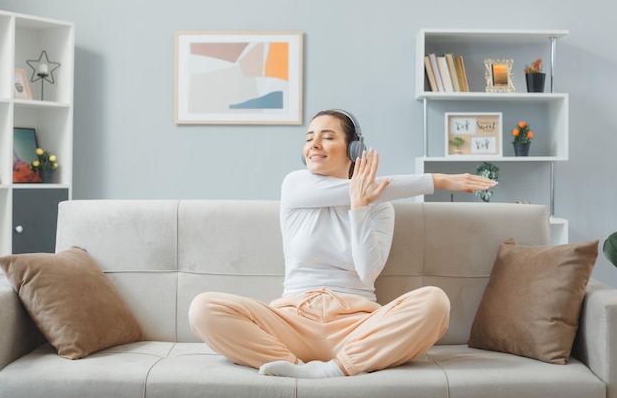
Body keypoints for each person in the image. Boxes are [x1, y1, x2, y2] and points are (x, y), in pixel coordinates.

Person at [189, 109, 498, 378]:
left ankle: (334, 369)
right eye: (309, 138)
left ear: (353, 149)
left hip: (357, 328)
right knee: (203, 308)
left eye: (326, 137)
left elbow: (366, 272)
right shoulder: (295, 185)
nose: (314, 145)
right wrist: (437, 180)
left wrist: (360, 209)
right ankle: (291, 364)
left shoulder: (380, 208)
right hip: (292, 321)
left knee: (435, 302)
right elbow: (371, 187)